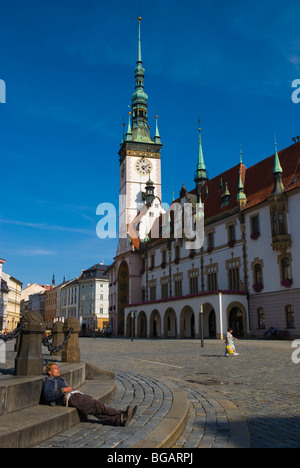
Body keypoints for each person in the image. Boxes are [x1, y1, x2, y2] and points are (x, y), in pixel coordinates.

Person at [42, 362, 138, 427]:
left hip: (76, 395)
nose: (58, 370)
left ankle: (120, 420)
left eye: (58, 368)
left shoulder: (59, 379)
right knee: (97, 405)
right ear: (50, 372)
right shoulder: (49, 380)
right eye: (55, 369)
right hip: (71, 398)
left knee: (95, 410)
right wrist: (63, 389)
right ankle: (122, 413)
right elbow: (48, 395)